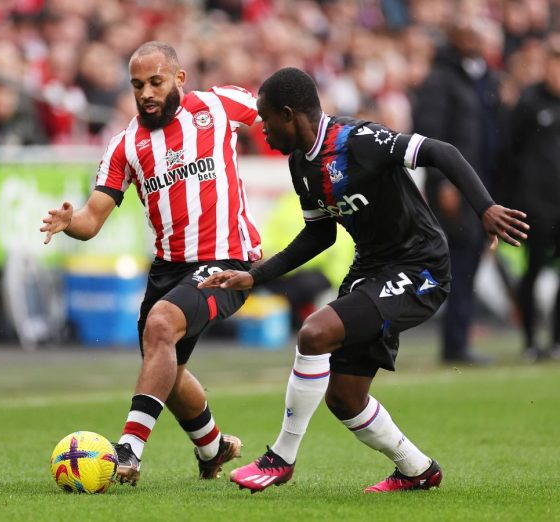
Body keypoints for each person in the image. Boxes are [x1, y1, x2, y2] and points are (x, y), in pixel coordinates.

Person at [199, 67, 528, 493]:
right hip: (372, 270)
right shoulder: (302, 164)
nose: (262, 131)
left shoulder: (358, 140)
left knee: (314, 333)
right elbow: (320, 233)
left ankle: (281, 457)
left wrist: (484, 207)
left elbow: (442, 151)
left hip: (420, 267)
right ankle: (417, 469)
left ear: (288, 114)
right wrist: (254, 276)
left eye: (265, 120)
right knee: (345, 398)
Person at [40, 41, 262, 486]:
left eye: (155, 82)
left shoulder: (219, 106)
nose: (146, 93)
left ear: (179, 79)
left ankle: (129, 450)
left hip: (227, 261)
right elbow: (92, 218)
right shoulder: (125, 145)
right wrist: (70, 222)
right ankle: (213, 447)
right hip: (168, 269)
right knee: (167, 368)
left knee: (161, 325)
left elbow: (281, 116)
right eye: (137, 85)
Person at [413, 20, 502, 364]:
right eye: (470, 36)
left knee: (468, 264)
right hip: (456, 187)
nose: (478, 43)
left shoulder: (482, 78)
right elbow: (431, 135)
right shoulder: (440, 80)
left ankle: (458, 339)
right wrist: (444, 181)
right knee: (456, 264)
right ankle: (453, 343)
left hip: (480, 187)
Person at [510, 34, 560, 362]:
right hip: (536, 206)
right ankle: (530, 340)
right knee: (534, 271)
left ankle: (556, 340)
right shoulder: (529, 103)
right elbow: (510, 154)